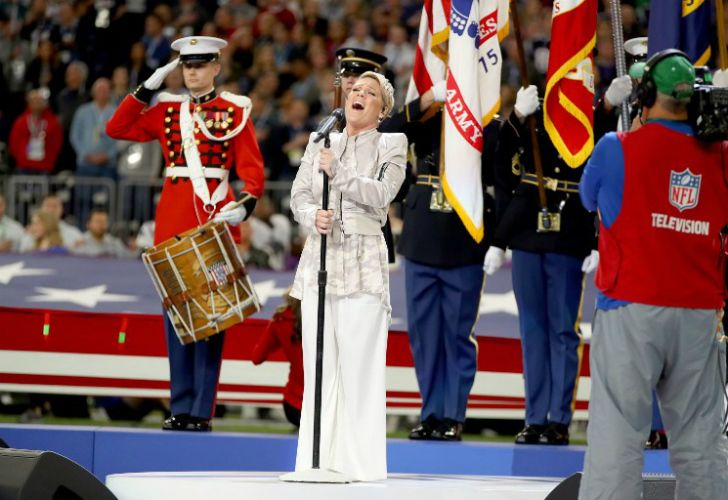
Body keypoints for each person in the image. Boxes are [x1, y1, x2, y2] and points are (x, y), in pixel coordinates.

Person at [578, 50, 728, 500]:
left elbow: (589, 198)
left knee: (617, 437)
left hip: (631, 307)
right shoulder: (721, 156)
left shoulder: (616, 148)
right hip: (700, 313)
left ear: (642, 94)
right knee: (702, 442)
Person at [106, 35, 265, 432]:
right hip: (174, 219)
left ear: (216, 67)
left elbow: (252, 169)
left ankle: (201, 409)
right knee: (177, 317)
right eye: (186, 65)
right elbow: (117, 127)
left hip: (214, 218)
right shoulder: (165, 112)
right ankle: (179, 405)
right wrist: (149, 86)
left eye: (200, 64)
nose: (192, 71)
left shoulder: (234, 111)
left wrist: (244, 203)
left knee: (214, 316)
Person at [289, 71, 406, 481]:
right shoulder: (323, 140)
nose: (359, 95)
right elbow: (300, 194)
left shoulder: (392, 143)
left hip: (362, 259)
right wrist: (311, 216)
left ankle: (362, 468)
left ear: (383, 107)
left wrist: (338, 173)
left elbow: (380, 194)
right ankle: (317, 461)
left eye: (369, 93)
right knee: (319, 366)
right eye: (355, 90)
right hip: (321, 256)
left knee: (359, 366)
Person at [379, 80, 496, 442]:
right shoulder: (426, 118)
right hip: (422, 238)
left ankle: (453, 415)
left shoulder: (486, 121)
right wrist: (425, 101)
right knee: (425, 335)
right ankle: (431, 412)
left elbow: (498, 172)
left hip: (464, 240)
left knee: (457, 336)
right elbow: (385, 132)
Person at [483, 83, 597, 446]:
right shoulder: (531, 118)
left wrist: (597, 238)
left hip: (568, 236)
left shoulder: (586, 116)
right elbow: (502, 168)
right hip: (528, 234)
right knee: (533, 331)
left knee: (563, 331)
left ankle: (559, 419)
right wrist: (516, 117)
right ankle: (535, 418)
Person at [251, 290, 303, 427]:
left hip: (293, 405)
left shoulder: (280, 320)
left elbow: (256, 357)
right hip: (324, 406)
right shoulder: (328, 319)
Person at [8, 88, 62, 175]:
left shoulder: (53, 122)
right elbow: (13, 143)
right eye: (34, 100)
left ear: (45, 104)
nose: (36, 103)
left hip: (45, 166)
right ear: (28, 103)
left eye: (39, 101)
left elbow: (57, 144)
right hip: (24, 165)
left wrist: (50, 159)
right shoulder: (21, 121)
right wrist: (20, 158)